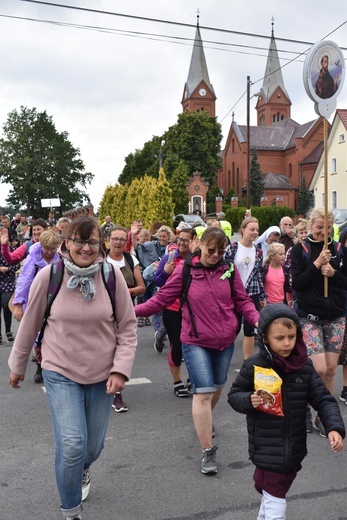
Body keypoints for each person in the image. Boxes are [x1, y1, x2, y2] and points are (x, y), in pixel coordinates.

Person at [8, 216, 137, 520]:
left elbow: (128, 328)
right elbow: (30, 324)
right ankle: (71, 512)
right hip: (59, 369)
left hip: (102, 372)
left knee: (90, 448)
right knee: (71, 445)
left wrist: (120, 369)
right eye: (79, 240)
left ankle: (83, 468)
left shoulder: (111, 276)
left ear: (99, 245)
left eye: (92, 241)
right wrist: (18, 365)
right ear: (66, 243)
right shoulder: (49, 276)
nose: (85, 247)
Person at [135, 227, 259, 474]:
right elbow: (159, 301)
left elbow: (243, 301)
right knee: (202, 392)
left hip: (224, 340)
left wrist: (258, 320)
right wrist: (128, 314)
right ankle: (207, 451)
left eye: (220, 251)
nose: (215, 255)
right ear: (200, 245)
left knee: (217, 388)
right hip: (194, 340)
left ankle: (204, 419)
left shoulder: (229, 269)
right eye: (211, 250)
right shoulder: (185, 271)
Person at [228, 303, 344, 520]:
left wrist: (334, 427)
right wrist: (249, 400)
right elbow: (234, 395)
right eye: (279, 338)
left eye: (291, 336)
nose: (287, 343)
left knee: (272, 490)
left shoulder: (304, 366)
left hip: (294, 446)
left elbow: (324, 399)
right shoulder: (255, 365)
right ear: (265, 338)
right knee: (275, 495)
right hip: (265, 445)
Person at [291, 207, 347, 435]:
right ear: (311, 226)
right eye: (319, 227)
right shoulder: (300, 250)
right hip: (309, 317)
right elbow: (297, 284)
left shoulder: (341, 250)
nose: (323, 231)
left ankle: (323, 416)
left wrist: (334, 273)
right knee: (318, 367)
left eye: (327, 227)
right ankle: (303, 408)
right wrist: (316, 265)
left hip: (335, 316)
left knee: (332, 368)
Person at [151, 227, 196, 398]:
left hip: (194, 310)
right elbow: (157, 281)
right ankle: (177, 382)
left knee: (193, 346)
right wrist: (165, 272)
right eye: (180, 240)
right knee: (177, 346)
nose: (182, 243)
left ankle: (192, 379)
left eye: (186, 240)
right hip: (172, 309)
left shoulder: (198, 258)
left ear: (193, 240)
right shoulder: (169, 257)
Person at [12, 230, 61, 383]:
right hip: (35, 302)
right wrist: (18, 304)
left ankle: (53, 365)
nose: (49, 252)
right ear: (41, 246)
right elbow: (23, 282)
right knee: (37, 335)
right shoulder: (32, 259)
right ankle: (40, 366)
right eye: (46, 249)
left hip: (54, 302)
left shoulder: (59, 259)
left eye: (53, 249)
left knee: (53, 334)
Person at [107, 225, 145, 412]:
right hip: (103, 312)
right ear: (109, 240)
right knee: (106, 349)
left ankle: (116, 394)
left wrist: (124, 292)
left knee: (120, 349)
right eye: (115, 238)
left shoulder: (131, 259)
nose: (118, 242)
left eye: (122, 239)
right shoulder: (101, 260)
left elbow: (142, 287)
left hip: (125, 311)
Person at [225, 217, 265, 360]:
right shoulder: (233, 248)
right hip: (234, 293)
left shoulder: (258, 251)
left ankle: (246, 360)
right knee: (233, 328)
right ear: (243, 230)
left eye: (257, 230)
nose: (255, 233)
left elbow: (260, 274)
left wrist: (262, 296)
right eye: (252, 229)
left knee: (249, 329)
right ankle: (224, 356)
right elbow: (224, 271)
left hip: (252, 292)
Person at [0, 250, 20, 344]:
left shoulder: (10, 250)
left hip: (8, 282)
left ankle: (8, 331)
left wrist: (8, 269)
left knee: (6, 305)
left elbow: (19, 264)